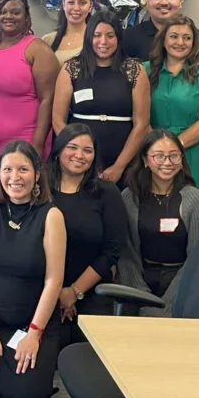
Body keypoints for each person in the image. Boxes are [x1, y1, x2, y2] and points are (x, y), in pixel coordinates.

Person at [0, 140, 67, 398]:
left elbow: (54, 281)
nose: (14, 177)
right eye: (7, 169)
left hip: (33, 323)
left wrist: (34, 334)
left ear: (37, 173)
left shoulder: (51, 216)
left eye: (23, 169)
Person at [117, 129, 199, 316]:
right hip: (137, 287)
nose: (167, 162)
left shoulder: (196, 200)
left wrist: (166, 306)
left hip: (184, 288)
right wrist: (141, 298)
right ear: (145, 160)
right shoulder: (130, 197)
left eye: (174, 156)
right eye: (159, 156)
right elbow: (126, 255)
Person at [45, 124, 126, 343]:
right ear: (58, 150)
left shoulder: (107, 193)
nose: (80, 155)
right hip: (42, 292)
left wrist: (73, 291)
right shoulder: (40, 190)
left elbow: (112, 251)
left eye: (87, 150)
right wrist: (56, 292)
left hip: (92, 293)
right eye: (72, 147)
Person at [53, 13, 151, 185]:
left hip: (125, 158)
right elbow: (57, 120)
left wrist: (119, 166)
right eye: (97, 35)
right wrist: (76, 153)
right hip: (79, 160)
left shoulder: (135, 70)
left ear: (119, 38)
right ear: (89, 37)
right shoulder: (71, 68)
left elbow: (141, 124)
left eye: (110, 36)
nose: (103, 42)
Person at [0, 0, 57, 176]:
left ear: (26, 18)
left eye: (15, 12)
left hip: (20, 147)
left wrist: (37, 146)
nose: (8, 16)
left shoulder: (38, 50)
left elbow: (47, 100)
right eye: (3, 12)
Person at [145, 16, 199, 209]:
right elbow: (139, 115)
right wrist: (159, 149)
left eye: (187, 38)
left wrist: (174, 146)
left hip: (196, 151)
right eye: (174, 36)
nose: (180, 42)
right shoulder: (145, 71)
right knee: (157, 210)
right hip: (155, 151)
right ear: (163, 40)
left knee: (198, 210)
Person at [41, 0, 92, 64]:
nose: (76, 8)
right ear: (63, 4)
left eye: (82, 3)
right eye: (71, 2)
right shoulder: (47, 40)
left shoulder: (96, 40)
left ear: (90, 6)